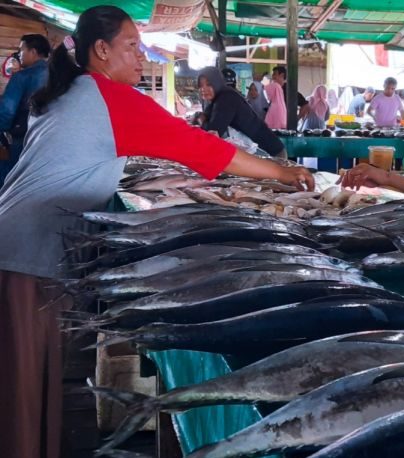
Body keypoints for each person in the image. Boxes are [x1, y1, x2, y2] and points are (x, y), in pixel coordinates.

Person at [0, 10, 314, 458]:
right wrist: (282, 173)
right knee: (21, 395)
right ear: (101, 51)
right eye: (131, 46)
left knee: (33, 386)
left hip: (23, 247)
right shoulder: (109, 98)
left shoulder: (75, 92)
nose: (142, 56)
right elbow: (204, 149)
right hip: (25, 255)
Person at [197, 67, 286, 157]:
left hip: (271, 154)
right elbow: (203, 118)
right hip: (257, 154)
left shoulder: (226, 98)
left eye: (209, 84)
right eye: (200, 85)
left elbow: (213, 132)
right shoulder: (217, 100)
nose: (203, 89)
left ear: (217, 83)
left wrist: (202, 121)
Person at [0, 34, 50, 185]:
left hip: (21, 139)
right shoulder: (59, 76)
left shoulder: (22, 77)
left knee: (8, 180)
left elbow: (7, 111)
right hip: (48, 139)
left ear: (33, 52)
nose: (19, 55)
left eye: (22, 50)